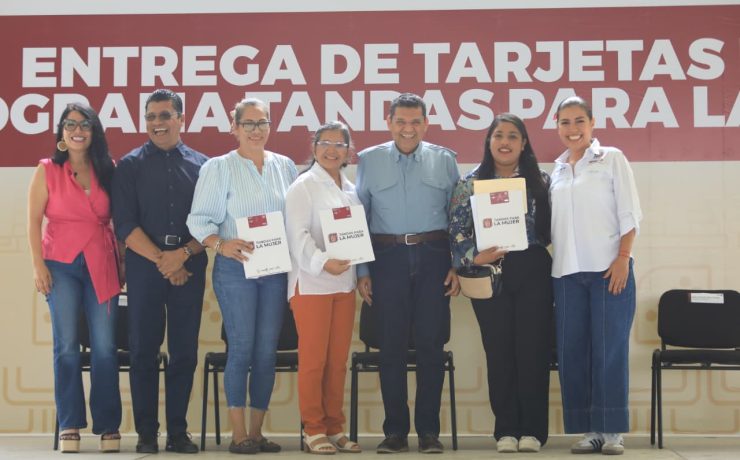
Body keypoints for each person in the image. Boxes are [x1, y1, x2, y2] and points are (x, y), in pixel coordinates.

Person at [187, 98, 297, 455]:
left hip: (275, 270)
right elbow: (198, 220)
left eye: (262, 122)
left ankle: (257, 432)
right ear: (234, 127)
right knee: (242, 348)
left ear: (270, 126)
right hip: (236, 269)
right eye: (248, 123)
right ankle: (238, 435)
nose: (255, 130)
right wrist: (221, 244)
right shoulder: (219, 167)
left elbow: (295, 217)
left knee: (266, 352)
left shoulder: (285, 166)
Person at [356, 93, 460, 454]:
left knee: (431, 346)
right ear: (389, 122)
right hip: (386, 258)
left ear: (426, 123)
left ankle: (429, 432)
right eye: (400, 121)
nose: (408, 128)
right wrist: (362, 270)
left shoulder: (445, 160)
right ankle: (395, 432)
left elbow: (459, 217)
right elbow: (360, 219)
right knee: (391, 348)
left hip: (434, 256)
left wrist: (457, 264)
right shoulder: (368, 160)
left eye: (415, 121)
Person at [448, 113, 553, 454]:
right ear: (489, 141)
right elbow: (456, 231)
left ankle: (533, 431)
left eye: (512, 136)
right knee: (499, 352)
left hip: (532, 268)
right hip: (488, 273)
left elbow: (553, 230)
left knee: (533, 351)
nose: (505, 142)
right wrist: (473, 257)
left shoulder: (541, 181)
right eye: (498, 136)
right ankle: (506, 430)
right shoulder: (469, 183)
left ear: (524, 143)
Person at [112, 89, 209, 454]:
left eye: (165, 115)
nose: (157, 123)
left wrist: (181, 256)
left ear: (181, 119)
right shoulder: (129, 166)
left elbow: (213, 222)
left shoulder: (204, 166)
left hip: (190, 266)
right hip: (144, 267)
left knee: (184, 353)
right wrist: (164, 261)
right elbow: (124, 224)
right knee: (142, 351)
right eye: (151, 116)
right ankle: (147, 434)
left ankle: (178, 433)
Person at [549, 96, 642, 456]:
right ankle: (589, 431)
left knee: (609, 351)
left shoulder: (612, 159)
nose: (572, 129)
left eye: (579, 121)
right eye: (565, 122)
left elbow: (630, 213)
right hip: (566, 274)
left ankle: (612, 431)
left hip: (608, 270)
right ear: (557, 126)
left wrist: (623, 258)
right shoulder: (556, 171)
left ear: (592, 124)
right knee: (573, 353)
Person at [27, 103, 122, 453]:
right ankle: (69, 424)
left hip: (102, 262)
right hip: (60, 264)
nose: (77, 130)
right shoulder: (47, 169)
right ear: (62, 132)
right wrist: (38, 266)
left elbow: (119, 219)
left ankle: (108, 425)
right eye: (70, 124)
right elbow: (33, 220)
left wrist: (123, 262)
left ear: (94, 131)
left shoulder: (108, 168)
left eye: (84, 124)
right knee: (66, 346)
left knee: (105, 347)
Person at [285, 121, 366, 455]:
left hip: (343, 284)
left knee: (337, 362)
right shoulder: (303, 186)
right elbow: (297, 236)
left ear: (348, 151)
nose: (332, 150)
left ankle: (335, 427)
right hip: (312, 284)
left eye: (339, 144)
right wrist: (322, 262)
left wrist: (357, 271)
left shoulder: (351, 189)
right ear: (314, 147)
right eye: (325, 143)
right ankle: (313, 429)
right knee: (314, 361)